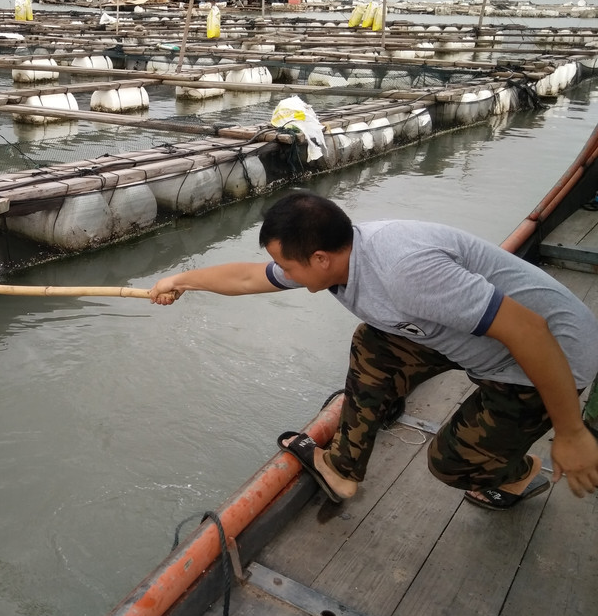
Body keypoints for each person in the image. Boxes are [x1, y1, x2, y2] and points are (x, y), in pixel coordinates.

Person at [149, 190, 598, 509]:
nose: (282, 274)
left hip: (546, 357)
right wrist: (181, 281)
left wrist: (573, 434)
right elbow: (249, 277)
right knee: (375, 342)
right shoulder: (338, 255)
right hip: (472, 337)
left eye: (287, 266)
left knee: (452, 466)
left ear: (320, 258)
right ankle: (342, 468)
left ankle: (517, 473)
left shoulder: (406, 272)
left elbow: (531, 331)